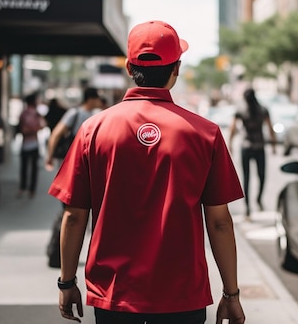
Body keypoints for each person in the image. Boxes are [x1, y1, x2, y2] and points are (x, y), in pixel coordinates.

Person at [49, 20, 246, 324]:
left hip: (114, 293)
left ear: (129, 68)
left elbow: (74, 215)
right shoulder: (204, 134)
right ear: (177, 69)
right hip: (181, 294)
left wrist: (66, 282)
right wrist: (231, 295)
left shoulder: (93, 130)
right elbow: (219, 222)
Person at [44, 87, 103, 268]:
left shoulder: (96, 115)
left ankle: (59, 253)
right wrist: (50, 157)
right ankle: (57, 253)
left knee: (71, 212)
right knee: (70, 211)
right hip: (73, 166)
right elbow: (56, 133)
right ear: (91, 99)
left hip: (85, 168)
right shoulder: (75, 113)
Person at [228, 88, 276, 217]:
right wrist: (273, 144)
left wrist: (230, 143)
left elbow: (232, 128)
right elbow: (270, 127)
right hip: (260, 146)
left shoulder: (241, 110)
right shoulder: (263, 109)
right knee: (262, 176)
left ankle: (248, 206)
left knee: (246, 177)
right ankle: (259, 199)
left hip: (246, 146)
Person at [18, 93, 46, 198]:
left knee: (26, 167)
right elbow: (40, 126)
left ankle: (24, 188)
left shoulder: (27, 113)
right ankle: (30, 189)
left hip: (28, 144)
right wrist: (34, 129)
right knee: (32, 168)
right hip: (31, 143)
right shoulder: (29, 114)